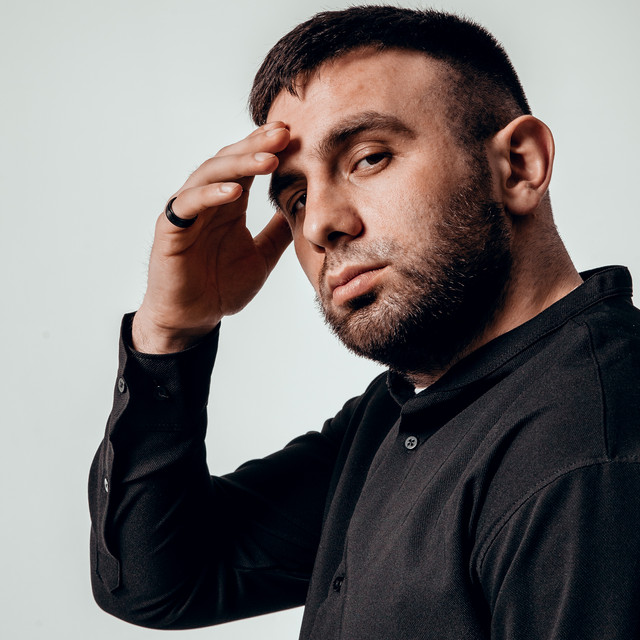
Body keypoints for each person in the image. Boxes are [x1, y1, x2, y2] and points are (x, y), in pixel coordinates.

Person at [88, 6, 640, 639]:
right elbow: (156, 581)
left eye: (369, 158)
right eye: (296, 198)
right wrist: (170, 332)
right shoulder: (400, 412)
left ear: (518, 165)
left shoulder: (590, 455)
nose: (320, 223)